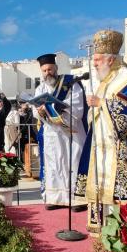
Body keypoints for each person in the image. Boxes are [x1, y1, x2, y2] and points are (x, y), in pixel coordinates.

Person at [74, 31, 127, 232]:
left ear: (110, 59)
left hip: (120, 148)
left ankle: (123, 232)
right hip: (100, 147)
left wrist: (102, 104)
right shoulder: (105, 82)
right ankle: (102, 228)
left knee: (119, 192)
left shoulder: (126, 81)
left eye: (97, 59)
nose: (94, 64)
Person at [32, 53, 88, 211]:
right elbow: (35, 112)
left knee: (73, 163)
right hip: (51, 133)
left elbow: (77, 108)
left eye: (50, 69)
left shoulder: (71, 83)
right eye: (44, 71)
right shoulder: (40, 88)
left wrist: (56, 106)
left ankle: (78, 199)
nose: (47, 73)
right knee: (54, 165)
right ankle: (56, 198)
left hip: (71, 133)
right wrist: (40, 111)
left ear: (56, 68)